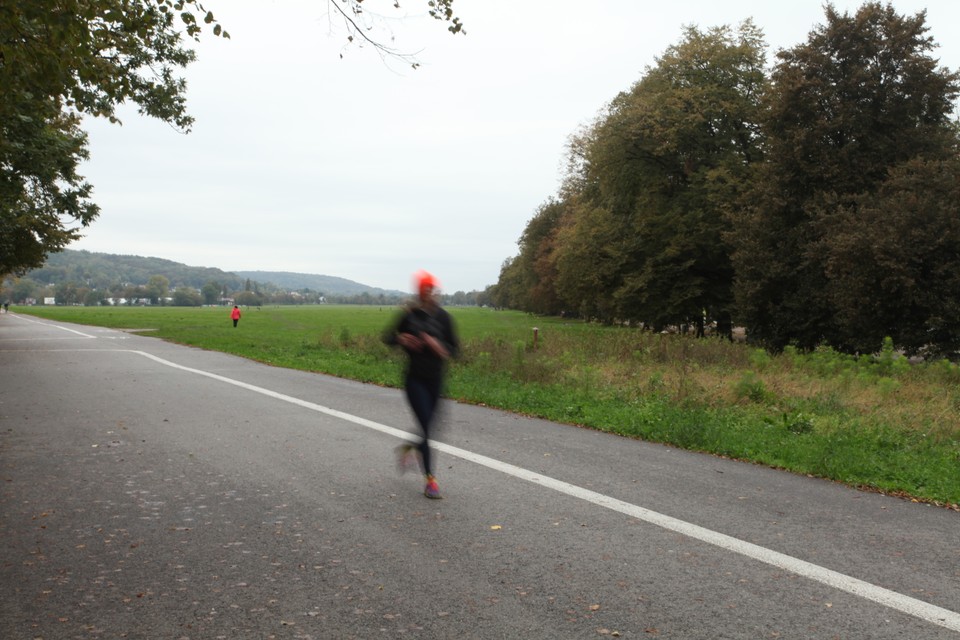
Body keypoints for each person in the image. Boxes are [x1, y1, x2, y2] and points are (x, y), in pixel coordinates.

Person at [383, 270, 459, 499]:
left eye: (431, 289)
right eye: (425, 289)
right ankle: (430, 480)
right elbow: (387, 337)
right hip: (414, 379)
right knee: (425, 426)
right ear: (420, 291)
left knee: (431, 428)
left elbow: (454, 351)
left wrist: (438, 347)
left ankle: (410, 446)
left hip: (435, 380)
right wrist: (401, 338)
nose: (429, 293)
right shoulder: (410, 316)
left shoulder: (444, 318)